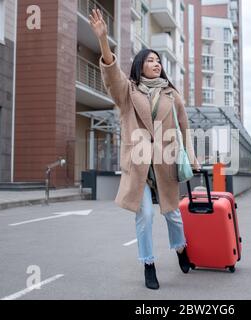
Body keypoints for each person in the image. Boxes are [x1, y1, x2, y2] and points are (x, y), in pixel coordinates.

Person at [89, 8, 200, 290]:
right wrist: (103, 39)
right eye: (150, 60)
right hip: (138, 166)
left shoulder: (171, 94)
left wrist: (194, 157)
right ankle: (149, 264)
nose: (156, 63)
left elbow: (184, 127)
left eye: (159, 60)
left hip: (165, 162)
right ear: (140, 65)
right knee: (146, 216)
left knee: (173, 214)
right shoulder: (128, 92)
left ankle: (180, 248)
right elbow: (112, 75)